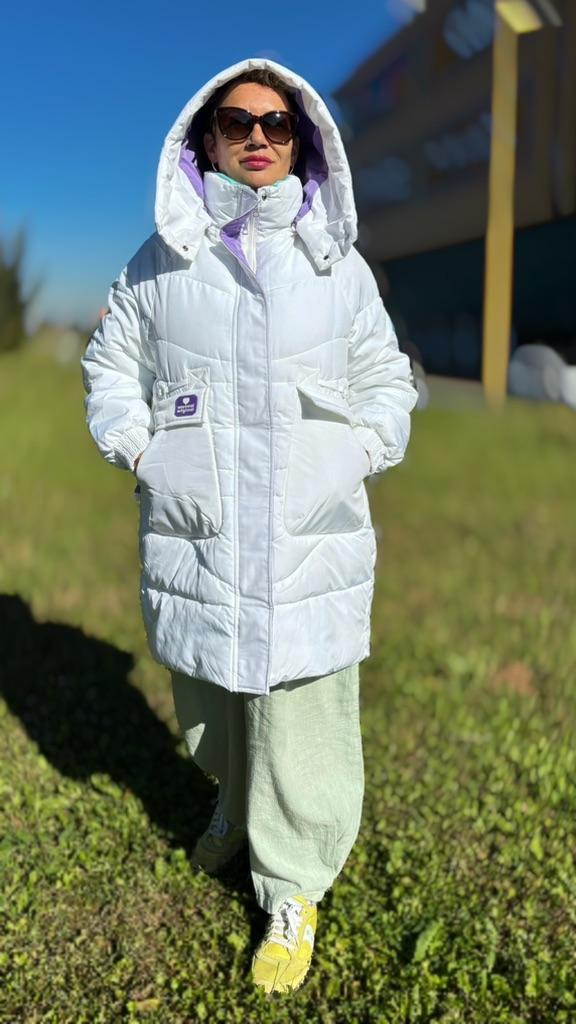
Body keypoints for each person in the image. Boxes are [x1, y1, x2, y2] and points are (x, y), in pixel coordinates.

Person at [81, 57, 418, 995]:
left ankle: (293, 885)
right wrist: (144, 452)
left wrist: (357, 451)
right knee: (210, 695)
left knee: (303, 709)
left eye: (278, 123)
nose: (259, 137)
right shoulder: (160, 262)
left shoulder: (336, 263)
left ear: (303, 140)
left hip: (310, 532)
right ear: (206, 138)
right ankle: (233, 799)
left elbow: (386, 378)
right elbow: (111, 366)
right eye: (238, 121)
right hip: (200, 526)